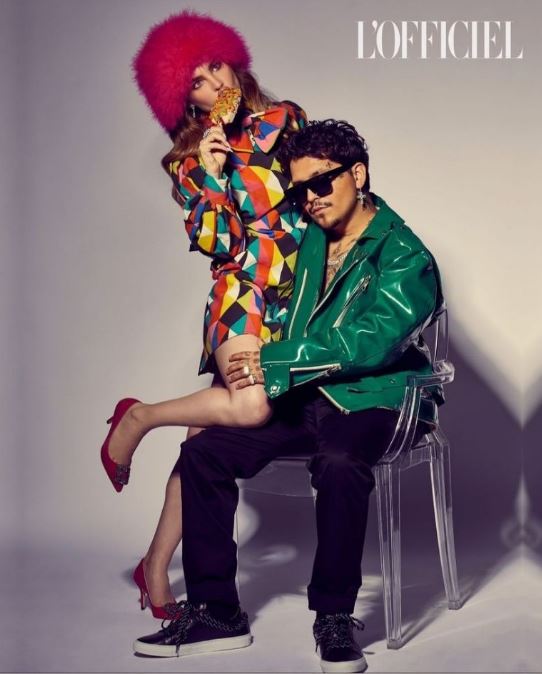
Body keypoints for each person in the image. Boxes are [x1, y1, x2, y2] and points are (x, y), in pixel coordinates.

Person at [132, 119, 445, 673]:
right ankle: (216, 612)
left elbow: (370, 342)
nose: (311, 199)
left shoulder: (405, 254)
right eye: (300, 190)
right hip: (307, 395)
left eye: (321, 183)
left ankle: (333, 615)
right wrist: (211, 178)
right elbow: (235, 249)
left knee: (340, 460)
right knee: (203, 453)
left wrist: (274, 360)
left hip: (377, 398)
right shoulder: (310, 240)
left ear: (358, 175)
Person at [99, 11, 307, 617]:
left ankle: (153, 567)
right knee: (250, 406)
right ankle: (138, 417)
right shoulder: (188, 160)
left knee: (201, 446)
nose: (213, 84)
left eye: (214, 66)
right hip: (242, 294)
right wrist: (212, 176)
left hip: (294, 299)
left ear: (232, 61)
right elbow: (218, 243)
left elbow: (320, 199)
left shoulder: (286, 120)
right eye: (195, 81)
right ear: (183, 101)